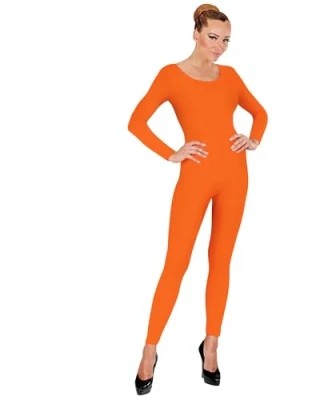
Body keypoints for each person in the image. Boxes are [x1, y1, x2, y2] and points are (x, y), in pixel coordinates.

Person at [127, 3, 268, 395]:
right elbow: (136, 121)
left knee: (220, 262)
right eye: (213, 37)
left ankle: (211, 345)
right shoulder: (171, 75)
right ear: (195, 34)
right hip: (195, 178)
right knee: (176, 264)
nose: (219, 46)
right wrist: (171, 152)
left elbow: (260, 113)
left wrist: (253, 140)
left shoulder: (231, 76)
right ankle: (149, 350)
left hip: (235, 176)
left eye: (226, 40)